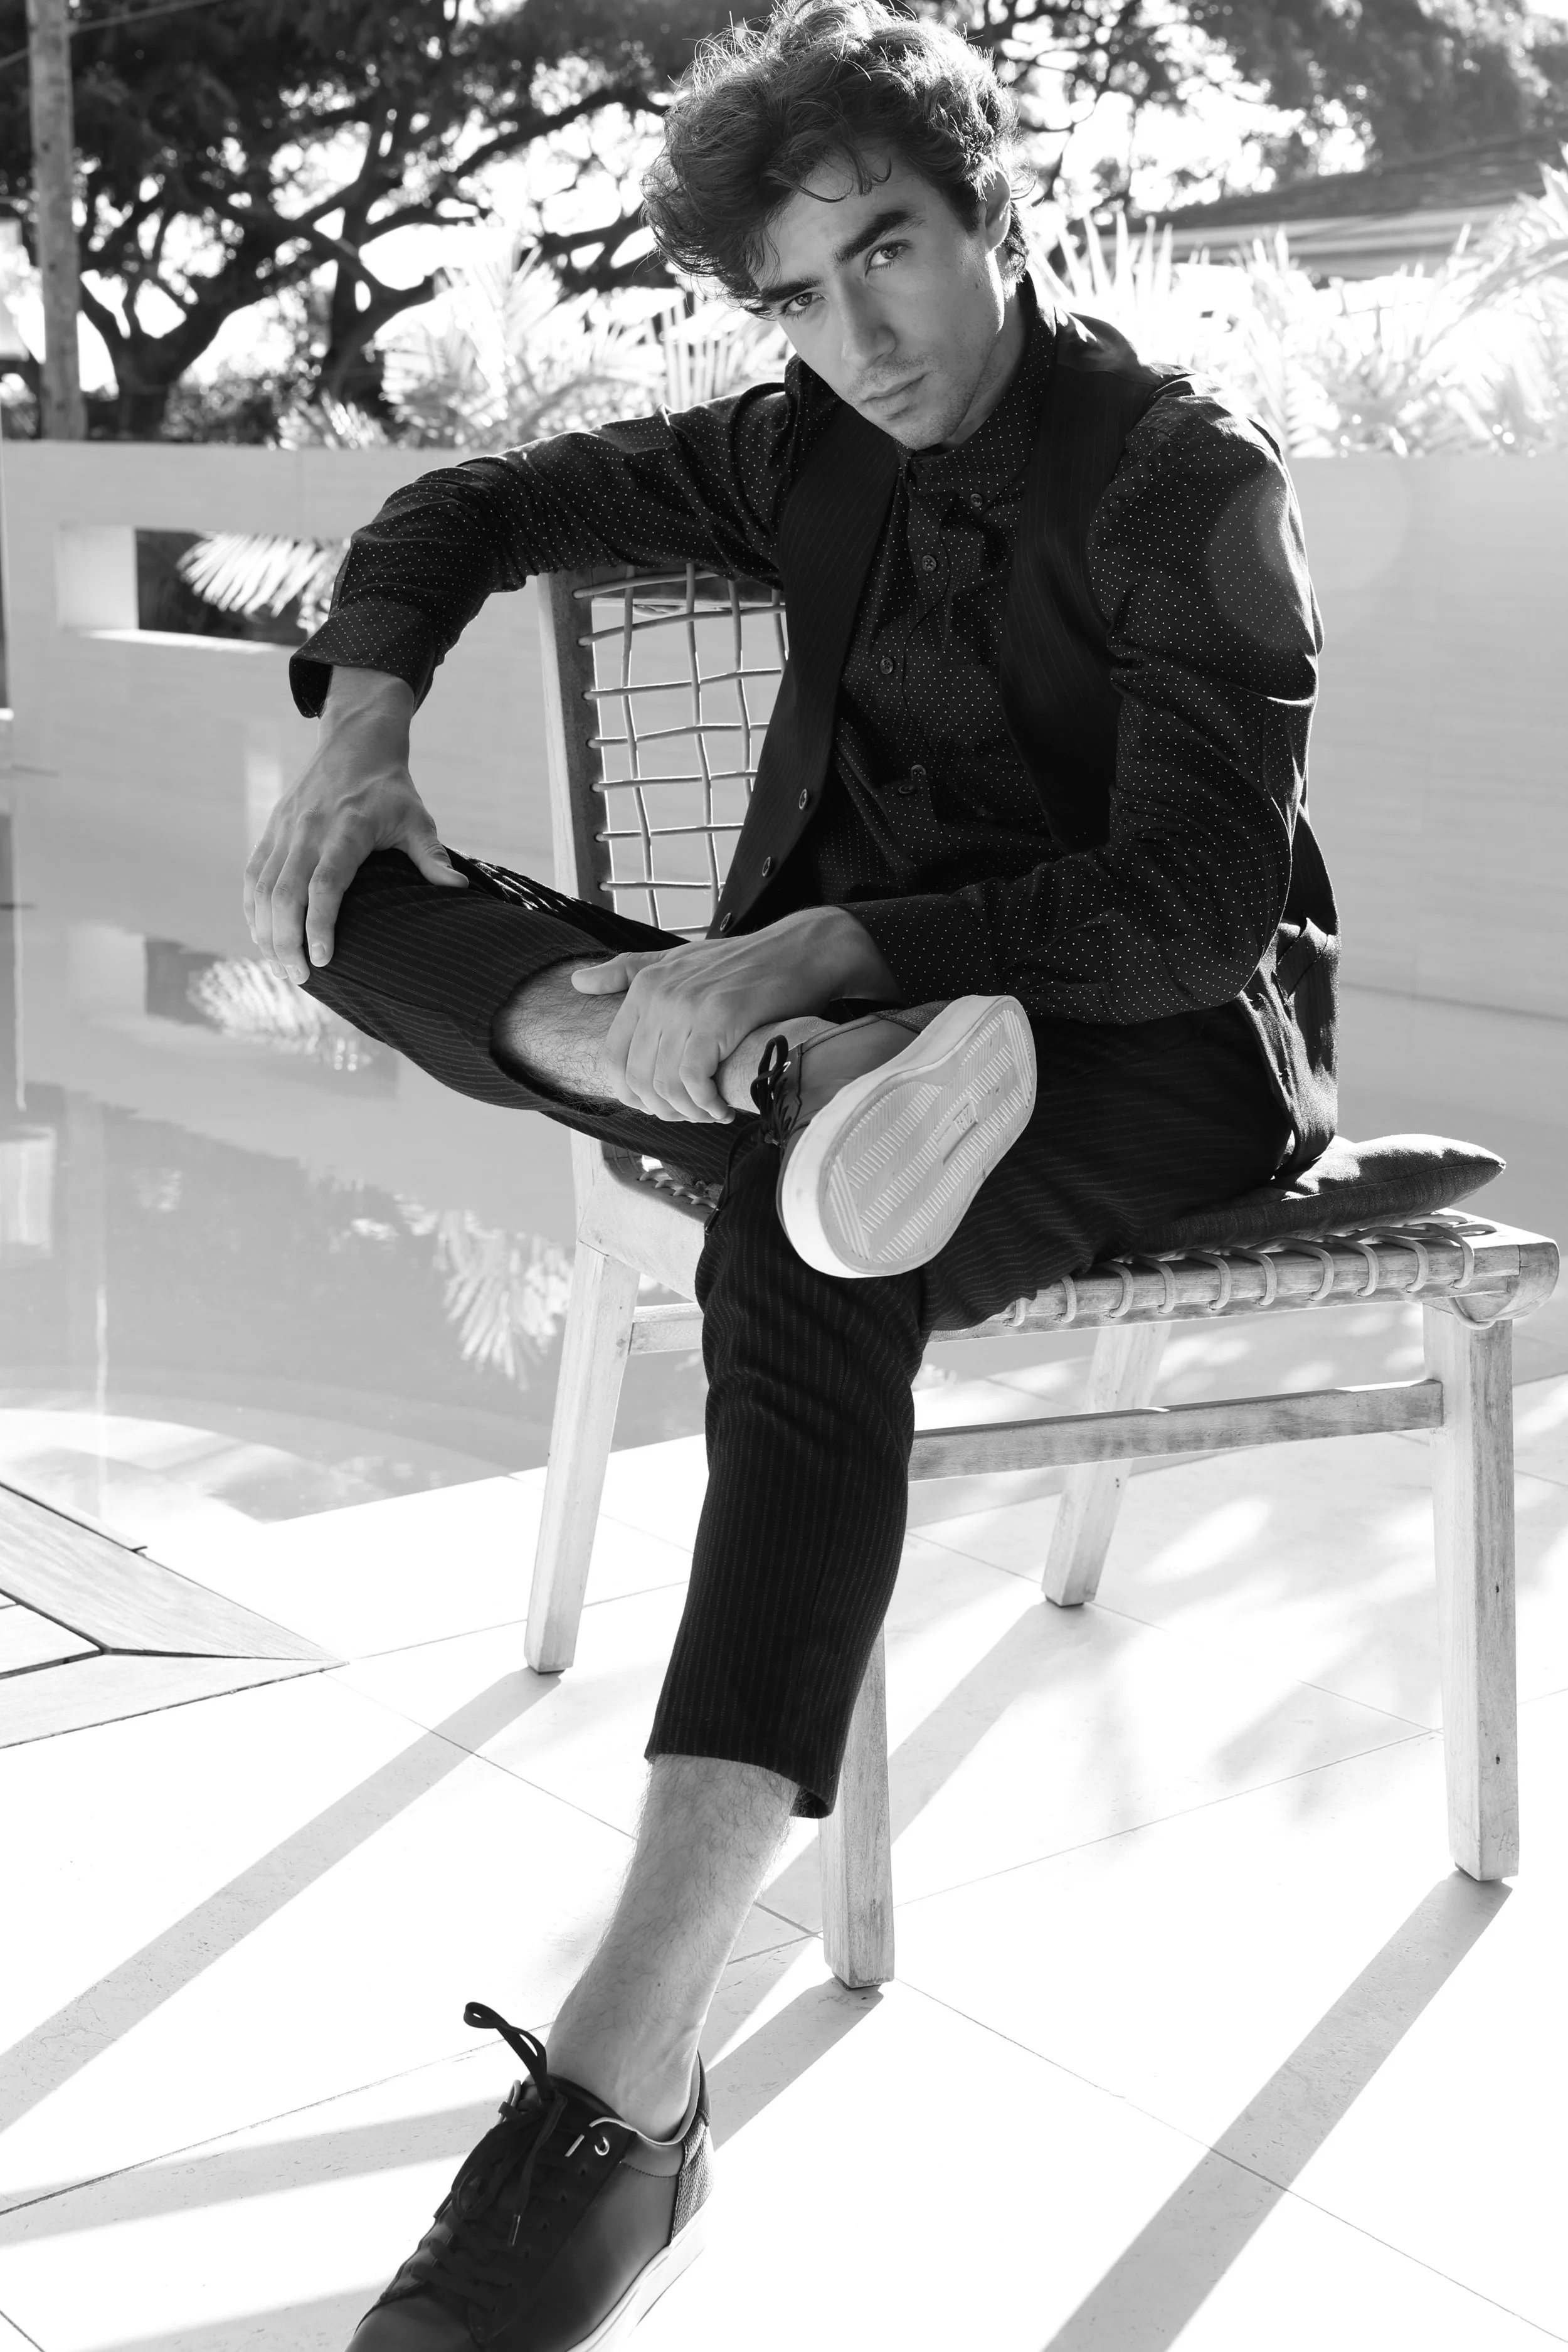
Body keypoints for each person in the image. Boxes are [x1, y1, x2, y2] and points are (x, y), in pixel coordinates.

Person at [245, 4, 1338, 2342]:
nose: (860, 336)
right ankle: (765, 1078)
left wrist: (842, 948)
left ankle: (622, 2087)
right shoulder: (796, 451)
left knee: (805, 1244)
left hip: (1144, 1041)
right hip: (829, 1037)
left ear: (989, 212)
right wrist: (362, 725)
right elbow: (469, 505)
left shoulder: (1178, 477)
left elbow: (1192, 911)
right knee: (347, 904)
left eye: (891, 252)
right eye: (796, 298)